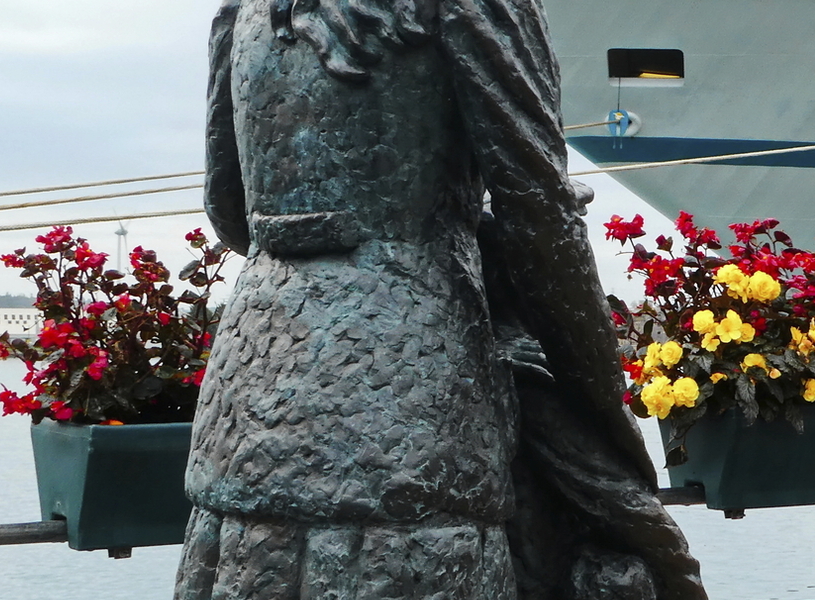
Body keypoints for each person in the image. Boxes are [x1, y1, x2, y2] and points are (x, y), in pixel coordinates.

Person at [177, 1, 703, 598]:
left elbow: (229, 209)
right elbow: (539, 216)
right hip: (419, 394)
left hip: (250, 398)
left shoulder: (244, 11)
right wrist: (605, 414)